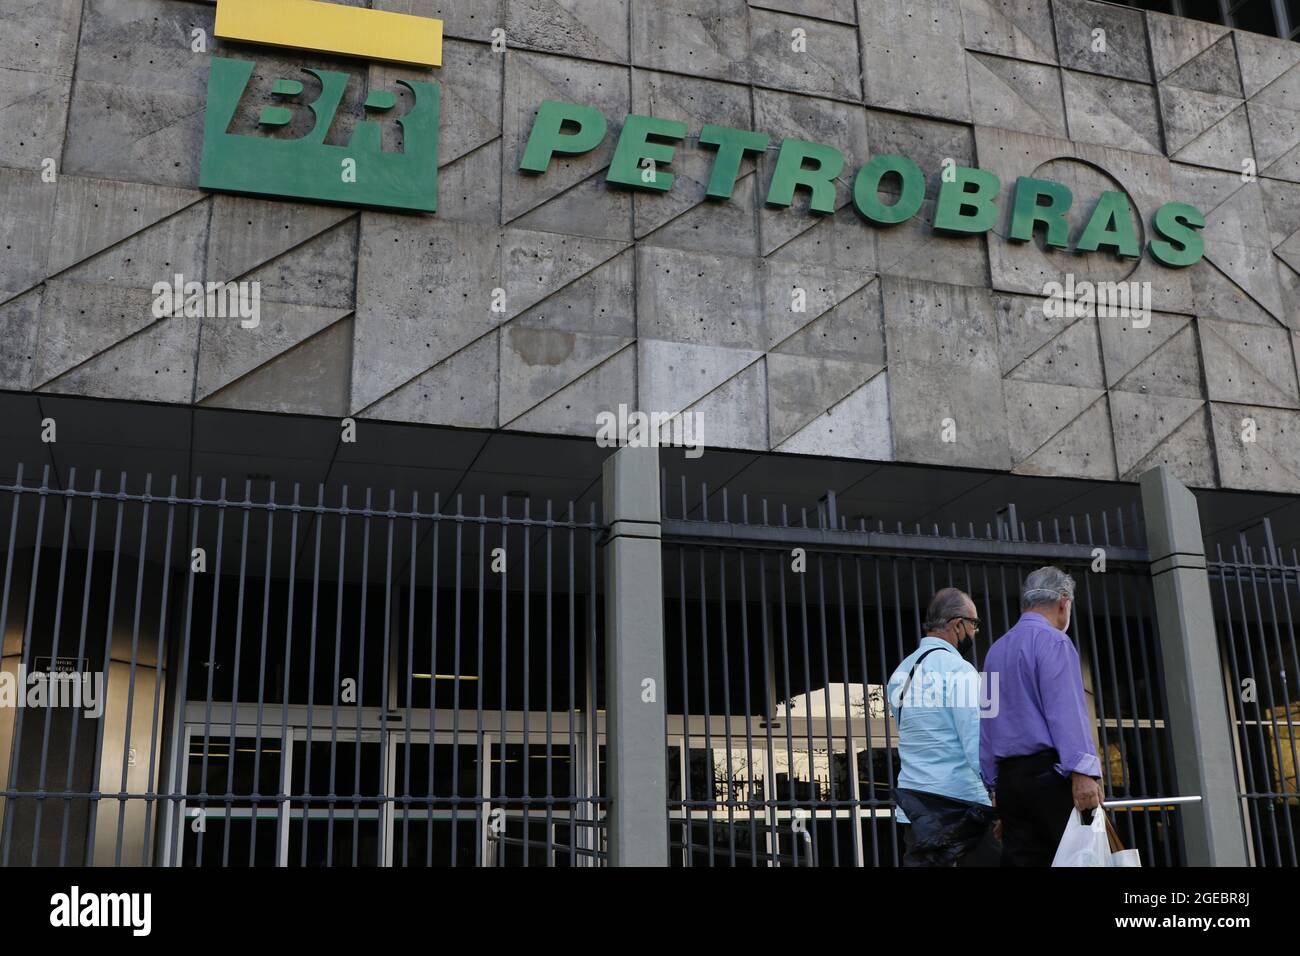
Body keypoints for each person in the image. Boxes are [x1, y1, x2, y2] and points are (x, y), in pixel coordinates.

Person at [980, 566, 1104, 866]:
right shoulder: (1055, 642)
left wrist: (994, 784)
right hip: (1051, 777)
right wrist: (1083, 772)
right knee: (1075, 859)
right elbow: (1066, 712)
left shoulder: (995, 651)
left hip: (1009, 780)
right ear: (1064, 602)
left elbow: (987, 722)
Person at [886, 587, 997, 866]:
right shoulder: (960, 671)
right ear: (958, 625)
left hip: (916, 812)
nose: (976, 633)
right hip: (961, 808)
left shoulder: (901, 673)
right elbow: (976, 740)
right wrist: (998, 791)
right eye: (974, 625)